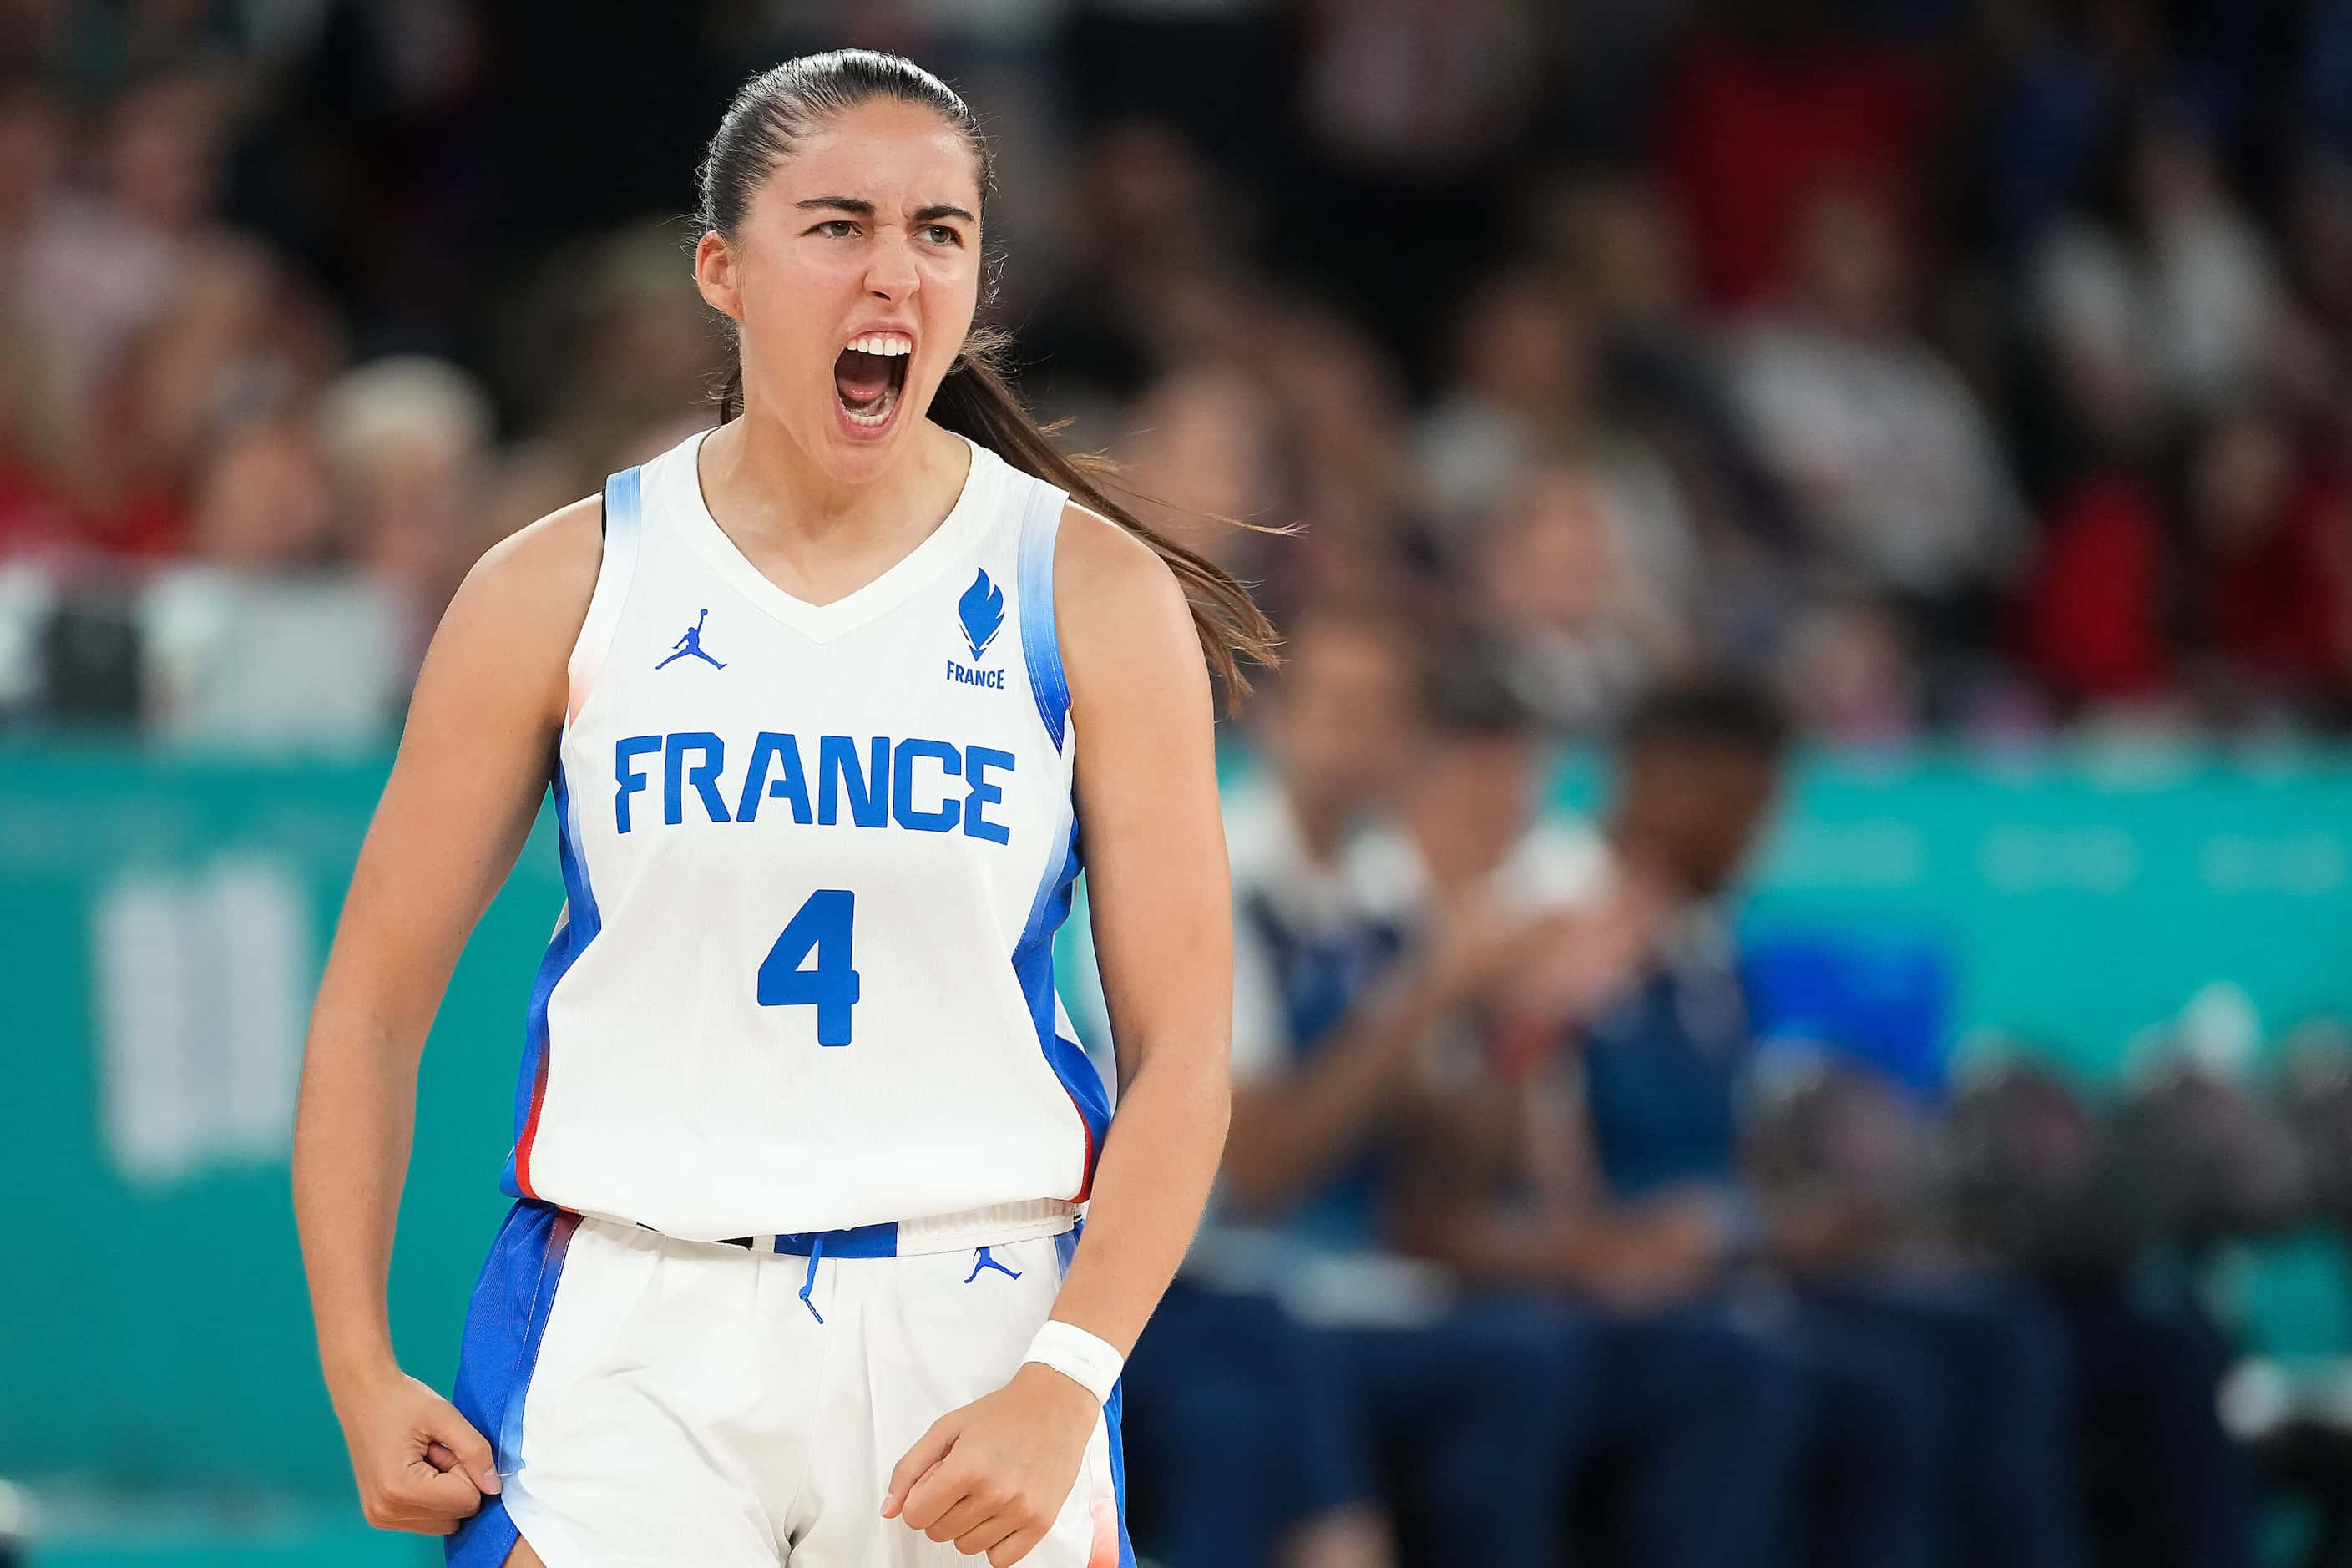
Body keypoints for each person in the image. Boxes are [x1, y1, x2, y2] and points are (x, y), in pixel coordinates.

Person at [291, 50, 1272, 1568]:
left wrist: (1066, 1376)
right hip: (630, 1312)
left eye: (938, 231)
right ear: (722, 270)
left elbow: (1183, 1057)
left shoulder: (1086, 591)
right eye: (837, 225)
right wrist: (357, 1363)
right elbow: (366, 1007)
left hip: (977, 1305)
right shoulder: (557, 583)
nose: (894, 270)